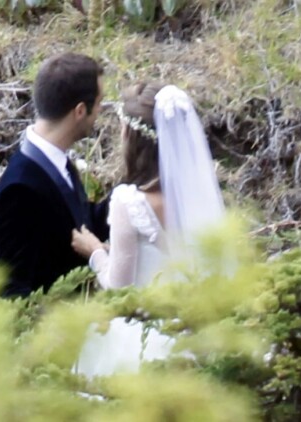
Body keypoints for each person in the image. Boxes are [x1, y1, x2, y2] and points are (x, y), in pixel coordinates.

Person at [71, 82, 226, 377]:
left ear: (131, 136)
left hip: (143, 339)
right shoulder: (198, 199)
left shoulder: (129, 203)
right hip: (193, 335)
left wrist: (94, 253)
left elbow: (120, 287)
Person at [0, 53, 110, 298]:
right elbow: (12, 291)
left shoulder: (56, 160)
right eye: (98, 103)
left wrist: (132, 195)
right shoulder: (19, 190)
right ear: (79, 110)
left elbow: (78, 225)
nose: (100, 111)